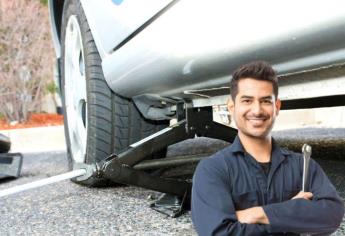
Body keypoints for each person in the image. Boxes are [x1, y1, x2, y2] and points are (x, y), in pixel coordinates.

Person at [191, 61, 344, 235]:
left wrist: (257, 214)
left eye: (265, 101)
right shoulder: (212, 170)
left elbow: (332, 215)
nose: (256, 110)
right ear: (232, 107)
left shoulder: (302, 165)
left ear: (276, 107)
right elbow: (218, 232)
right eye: (247, 100)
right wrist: (292, 213)